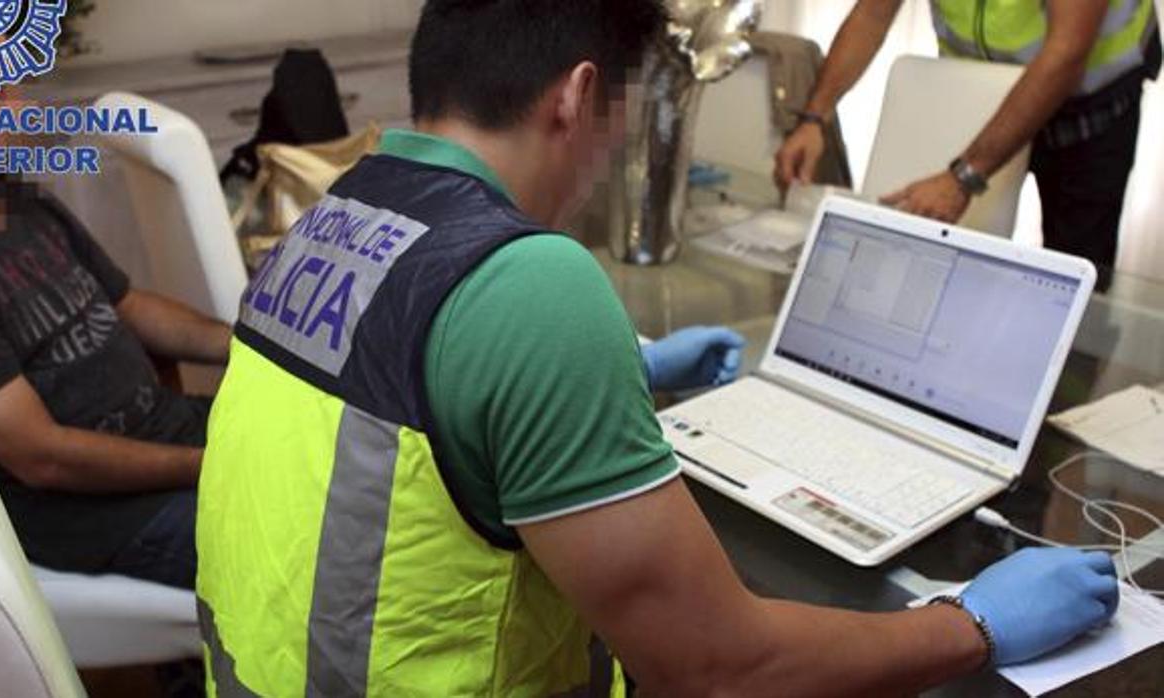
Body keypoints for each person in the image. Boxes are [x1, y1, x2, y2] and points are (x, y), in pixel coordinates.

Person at [196, 2, 1119, 696]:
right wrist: (972, 624)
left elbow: (393, 397)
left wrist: (613, 376)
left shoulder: (335, 214)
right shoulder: (530, 283)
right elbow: (718, 670)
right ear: (579, 95)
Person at [0, 76, 230, 591]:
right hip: (100, 517)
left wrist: (251, 347)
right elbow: (44, 457)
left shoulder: (8, 196)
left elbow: (128, 305)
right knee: (323, 531)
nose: (21, 110)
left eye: (14, 90)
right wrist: (209, 465)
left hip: (168, 431)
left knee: (339, 459)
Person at [775, 0, 1161, 272]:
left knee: (1077, 272)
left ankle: (1071, 387)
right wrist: (814, 116)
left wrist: (963, 177)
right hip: (979, 90)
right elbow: (873, 14)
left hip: (1087, 102)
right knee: (941, 252)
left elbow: (1067, 52)